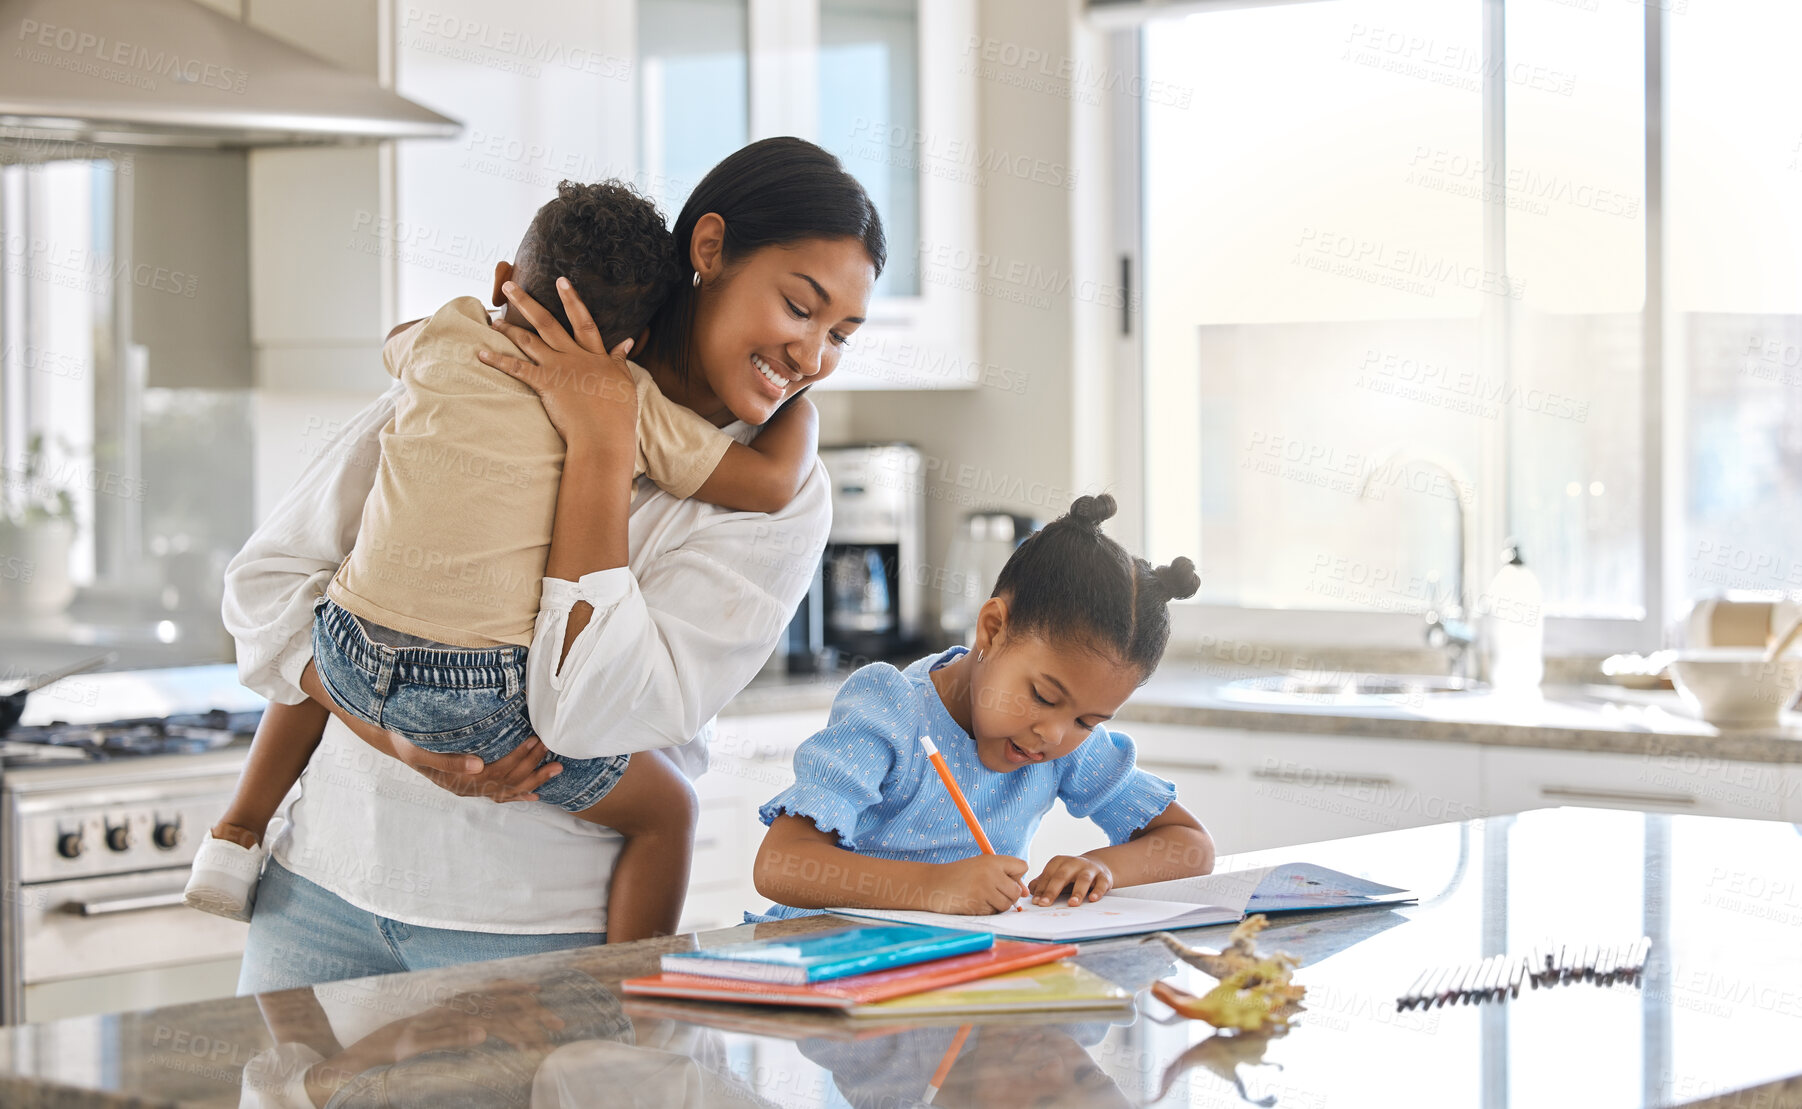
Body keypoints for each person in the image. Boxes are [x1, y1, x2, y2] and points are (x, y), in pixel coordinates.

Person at [225, 137, 882, 992]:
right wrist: (392, 730)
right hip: (316, 892)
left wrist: (603, 445)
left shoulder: (782, 498)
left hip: (528, 941)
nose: (813, 356)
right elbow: (268, 589)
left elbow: (592, 715)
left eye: (842, 334)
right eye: (800, 307)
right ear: (710, 249)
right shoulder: (509, 357)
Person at [751, 494, 1215, 920]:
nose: (1055, 734)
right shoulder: (891, 710)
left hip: (948, 984)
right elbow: (781, 864)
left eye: (1087, 721)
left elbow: (1190, 847)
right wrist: (933, 887)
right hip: (830, 974)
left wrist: (1103, 867)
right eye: (1044, 697)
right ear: (992, 629)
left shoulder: (1065, 746)